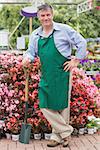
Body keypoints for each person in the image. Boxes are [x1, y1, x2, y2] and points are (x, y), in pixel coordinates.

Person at [22, 3, 87, 147]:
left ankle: (57, 137)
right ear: (39, 17)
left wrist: (76, 60)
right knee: (44, 104)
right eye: (43, 16)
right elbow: (31, 52)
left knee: (62, 105)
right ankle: (66, 131)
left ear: (52, 15)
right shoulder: (35, 35)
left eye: (48, 15)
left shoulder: (64, 30)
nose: (46, 18)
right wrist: (27, 58)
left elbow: (82, 43)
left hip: (62, 72)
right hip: (46, 73)